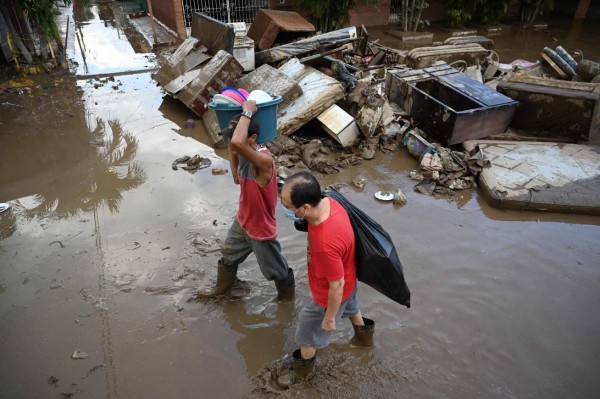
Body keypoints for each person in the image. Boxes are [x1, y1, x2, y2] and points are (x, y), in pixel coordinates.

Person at [277, 171, 375, 385]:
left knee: (307, 329)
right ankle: (364, 339)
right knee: (351, 306)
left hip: (331, 292)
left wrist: (330, 317)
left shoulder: (324, 243)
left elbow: (335, 285)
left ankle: (302, 373)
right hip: (349, 278)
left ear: (305, 208)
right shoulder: (331, 201)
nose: (284, 208)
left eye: (286, 205)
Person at [197, 100, 294, 301]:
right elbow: (236, 178)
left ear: (253, 138)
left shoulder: (265, 161)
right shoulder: (244, 155)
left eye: (234, 138)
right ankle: (221, 292)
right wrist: (234, 151)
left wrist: (247, 112)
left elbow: (237, 143)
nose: (230, 142)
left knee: (276, 270)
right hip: (243, 221)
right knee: (228, 255)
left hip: (260, 229)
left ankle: (286, 302)